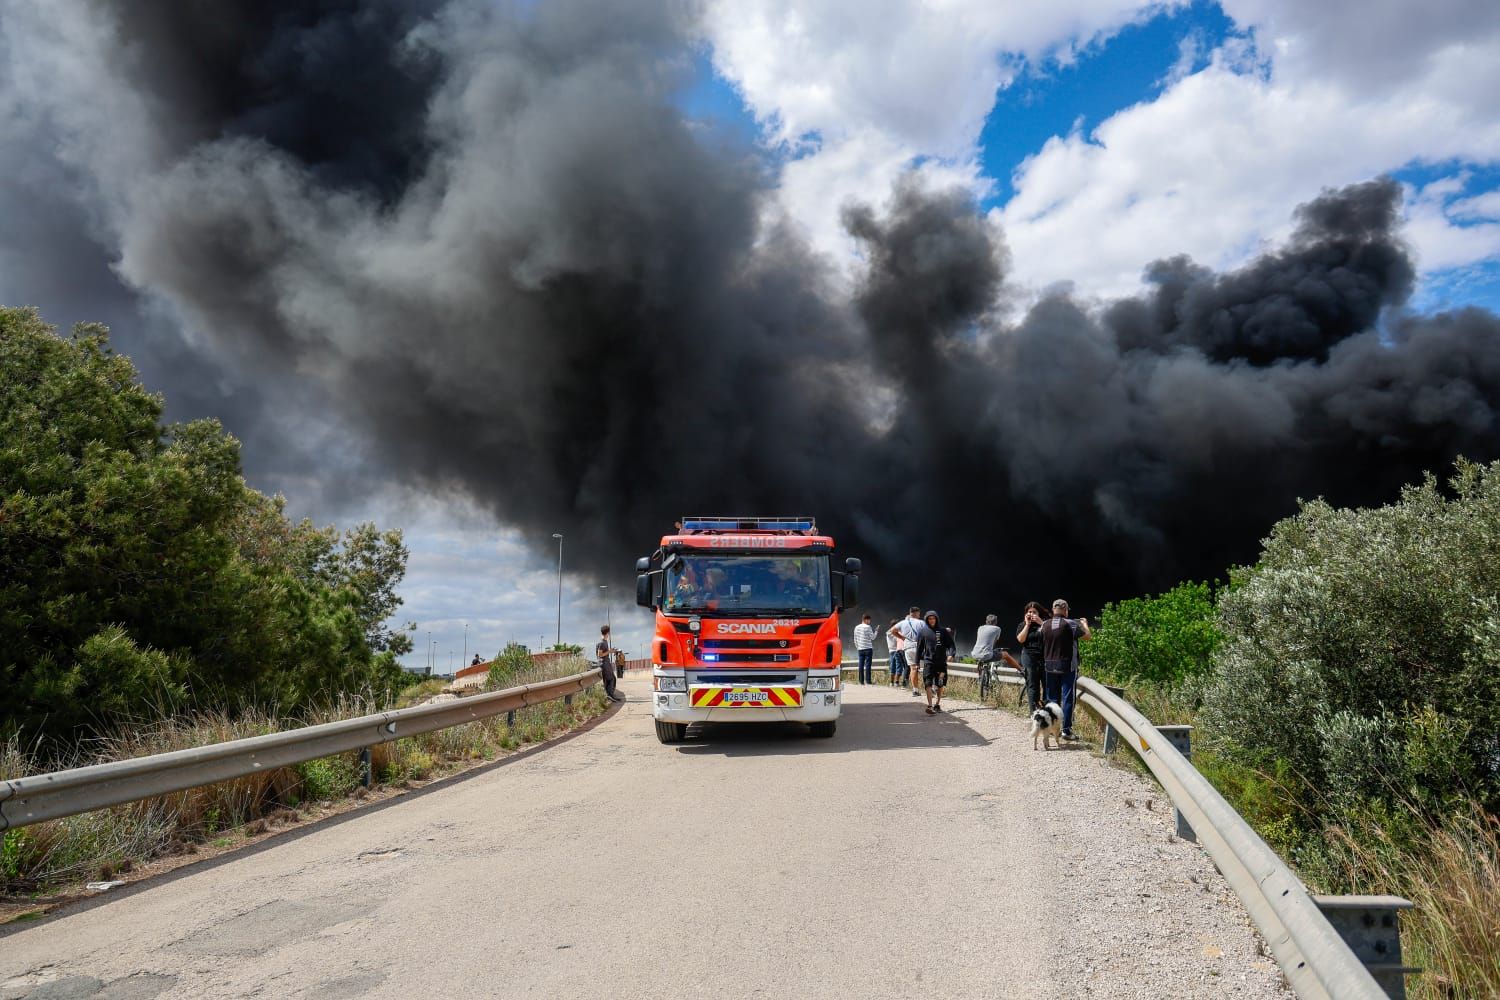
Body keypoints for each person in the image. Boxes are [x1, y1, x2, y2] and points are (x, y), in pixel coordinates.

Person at [1040, 598, 1091, 739]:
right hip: (1067, 666)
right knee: (1068, 698)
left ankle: (1050, 728)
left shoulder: (1044, 624)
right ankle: (1066, 730)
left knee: (1051, 698)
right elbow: (1087, 637)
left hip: (1049, 666)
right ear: (1065, 610)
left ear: (1053, 609)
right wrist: (1085, 624)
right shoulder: (1071, 624)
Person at [917, 610, 955, 714]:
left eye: (933, 618)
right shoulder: (923, 631)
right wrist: (917, 663)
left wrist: (951, 654)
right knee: (928, 683)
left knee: (940, 683)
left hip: (941, 662)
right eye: (929, 618)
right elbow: (919, 648)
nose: (931, 620)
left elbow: (951, 644)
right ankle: (929, 706)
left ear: (936, 619)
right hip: (928, 661)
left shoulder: (943, 631)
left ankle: (937, 704)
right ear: (926, 620)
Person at [889, 607, 930, 698]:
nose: (919, 615)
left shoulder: (903, 622)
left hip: (908, 648)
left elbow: (892, 631)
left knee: (913, 668)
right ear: (916, 613)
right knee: (927, 667)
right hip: (920, 648)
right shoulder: (921, 622)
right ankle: (930, 688)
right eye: (919, 614)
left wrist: (902, 637)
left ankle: (915, 690)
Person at [1015, 601, 1046, 711]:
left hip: (1044, 657)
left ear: (1039, 613)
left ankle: (1047, 712)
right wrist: (1027, 624)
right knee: (1033, 685)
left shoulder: (1045, 623)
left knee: (1047, 684)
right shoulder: (1022, 625)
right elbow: (1020, 639)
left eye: (1034, 612)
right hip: (1029, 656)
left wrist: (1041, 623)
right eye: (1029, 612)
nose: (1032, 614)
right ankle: (1034, 713)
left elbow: (1051, 637)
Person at [596, 625, 624, 702]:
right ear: (607, 632)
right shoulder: (602, 642)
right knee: (611, 679)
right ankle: (610, 695)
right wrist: (610, 651)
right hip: (604, 663)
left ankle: (610, 695)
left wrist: (611, 650)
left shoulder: (604, 642)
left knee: (610, 679)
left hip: (605, 663)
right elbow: (600, 654)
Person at [852, 614, 876, 684]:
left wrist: (858, 647)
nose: (870, 621)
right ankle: (868, 681)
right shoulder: (868, 627)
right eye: (869, 620)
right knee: (868, 665)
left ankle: (861, 681)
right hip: (868, 648)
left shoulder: (856, 627)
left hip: (860, 649)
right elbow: (873, 637)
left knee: (860, 665)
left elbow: (855, 639)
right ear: (865, 620)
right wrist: (876, 631)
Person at [886, 618, 906, 687]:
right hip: (893, 651)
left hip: (897, 650)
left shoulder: (892, 632)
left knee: (898, 666)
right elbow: (897, 639)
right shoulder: (889, 632)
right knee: (894, 667)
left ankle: (896, 682)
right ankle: (893, 682)